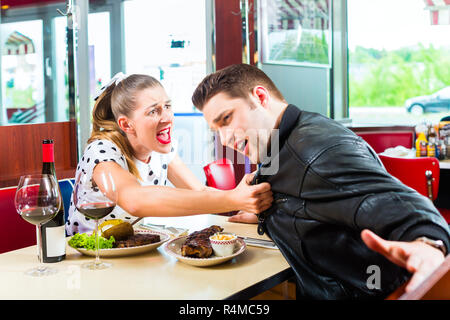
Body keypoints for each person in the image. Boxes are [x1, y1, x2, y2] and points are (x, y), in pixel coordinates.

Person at [191, 63, 450, 299]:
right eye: (217, 130)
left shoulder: (321, 153)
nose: (224, 140)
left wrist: (428, 245)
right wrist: (266, 212)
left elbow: (407, 210)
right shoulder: (280, 138)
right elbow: (296, 192)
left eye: (226, 119)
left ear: (260, 97)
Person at [66, 73, 272, 235]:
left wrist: (248, 203)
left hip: (135, 252)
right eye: (153, 111)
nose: (167, 118)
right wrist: (234, 199)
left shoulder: (160, 150)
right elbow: (135, 200)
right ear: (126, 124)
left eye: (167, 106)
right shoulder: (102, 151)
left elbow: (198, 191)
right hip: (91, 260)